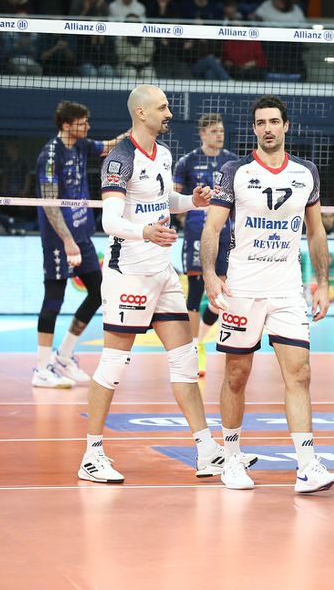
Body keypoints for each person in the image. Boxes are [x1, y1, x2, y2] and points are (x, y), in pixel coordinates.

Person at [79, 85, 253, 484]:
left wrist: (192, 201)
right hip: (130, 273)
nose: (169, 113)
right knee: (113, 364)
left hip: (162, 272)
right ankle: (91, 455)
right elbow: (110, 220)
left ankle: (207, 450)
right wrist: (144, 232)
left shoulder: (164, 153)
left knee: (185, 359)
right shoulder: (120, 159)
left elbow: (162, 201)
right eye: (162, 107)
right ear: (141, 112)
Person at [201, 95, 334, 493]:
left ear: (286, 126)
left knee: (300, 373)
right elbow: (212, 227)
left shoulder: (306, 172)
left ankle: (307, 466)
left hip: (287, 289)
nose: (267, 128)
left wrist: (323, 282)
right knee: (236, 374)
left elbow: (316, 231)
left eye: (274, 121)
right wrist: (210, 274)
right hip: (243, 288)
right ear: (254, 129)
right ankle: (231, 459)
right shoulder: (235, 171)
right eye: (261, 122)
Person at [34, 101, 127, 389]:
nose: (88, 126)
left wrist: (137, 129)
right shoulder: (51, 155)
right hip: (59, 239)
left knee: (98, 292)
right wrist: (67, 241)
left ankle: (64, 356)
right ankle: (41, 369)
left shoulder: (82, 146)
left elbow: (108, 145)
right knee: (54, 299)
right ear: (66, 125)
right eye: (82, 122)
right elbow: (50, 204)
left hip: (82, 234)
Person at [172, 114, 238, 378]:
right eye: (213, 131)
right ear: (202, 134)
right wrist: (180, 219)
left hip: (225, 233)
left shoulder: (232, 163)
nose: (219, 135)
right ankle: (193, 350)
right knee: (196, 290)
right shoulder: (187, 161)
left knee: (222, 292)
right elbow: (173, 197)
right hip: (196, 233)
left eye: (221, 131)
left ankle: (201, 338)